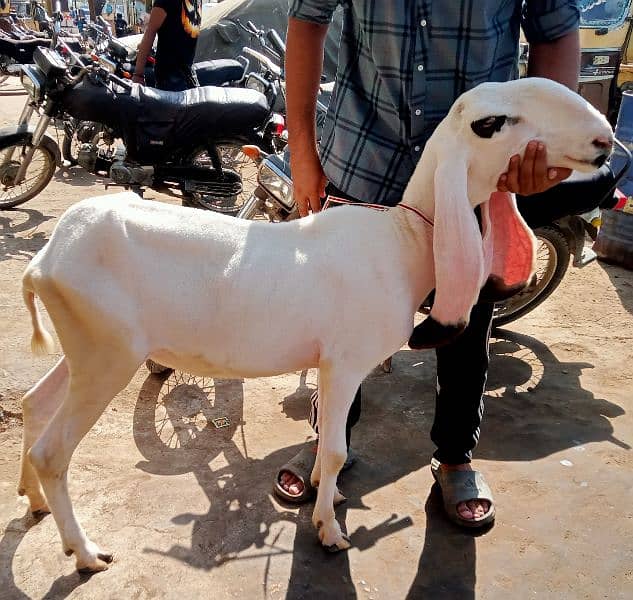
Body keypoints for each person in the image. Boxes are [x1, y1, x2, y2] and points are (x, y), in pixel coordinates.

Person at [274, 0, 582, 529]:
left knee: (466, 326)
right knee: (338, 323)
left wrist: (544, 148)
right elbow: (307, 18)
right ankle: (328, 444)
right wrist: (302, 150)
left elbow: (555, 31)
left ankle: (455, 455)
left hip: (476, 172)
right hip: (363, 160)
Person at [132, 0, 201, 91]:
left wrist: (138, 75)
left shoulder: (166, 2)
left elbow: (150, 34)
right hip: (189, 77)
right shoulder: (196, 2)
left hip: (170, 78)